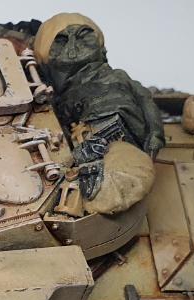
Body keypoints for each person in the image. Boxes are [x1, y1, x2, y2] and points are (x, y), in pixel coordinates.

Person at [34, 13, 162, 214]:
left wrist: (155, 134)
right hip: (89, 145)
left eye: (82, 36)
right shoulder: (59, 97)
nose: (73, 49)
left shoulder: (117, 76)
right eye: (62, 41)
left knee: (123, 176)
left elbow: (145, 99)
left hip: (127, 144)